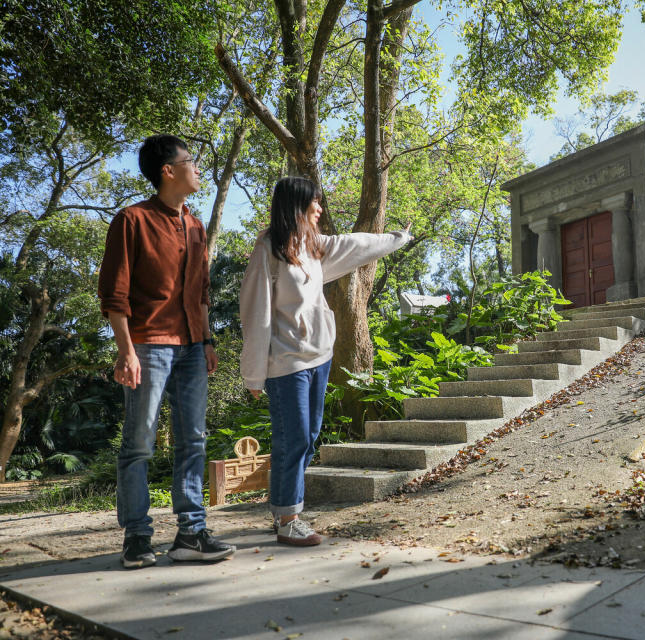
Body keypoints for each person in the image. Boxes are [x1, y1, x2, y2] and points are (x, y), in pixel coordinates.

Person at [239, 176, 411, 546]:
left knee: (309, 436)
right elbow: (256, 314)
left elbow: (357, 245)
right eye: (313, 203)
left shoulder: (314, 247)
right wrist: (253, 375)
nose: (320, 209)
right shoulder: (270, 250)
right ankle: (288, 520)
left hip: (320, 358)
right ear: (295, 206)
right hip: (285, 364)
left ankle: (286, 511)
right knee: (294, 437)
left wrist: (398, 238)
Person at [98, 135, 236, 569]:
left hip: (193, 348)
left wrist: (208, 339)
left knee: (193, 440)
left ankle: (191, 533)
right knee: (139, 443)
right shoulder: (131, 220)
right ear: (167, 171)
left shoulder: (195, 226)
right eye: (190, 161)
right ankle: (137, 537)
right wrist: (126, 352)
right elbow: (114, 294)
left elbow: (202, 293)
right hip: (147, 344)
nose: (198, 169)